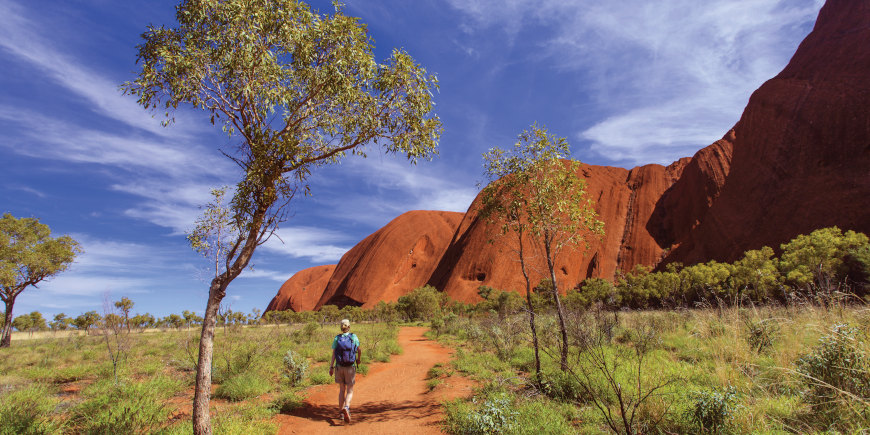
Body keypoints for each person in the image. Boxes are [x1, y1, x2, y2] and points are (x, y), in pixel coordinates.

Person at [329, 318, 361, 423]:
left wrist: (331, 367)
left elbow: (334, 354)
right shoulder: (353, 337)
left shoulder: (337, 338)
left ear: (341, 327)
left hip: (339, 367)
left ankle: (341, 414)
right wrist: (358, 359)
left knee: (341, 390)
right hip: (350, 366)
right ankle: (347, 407)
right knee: (350, 390)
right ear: (349, 327)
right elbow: (359, 349)